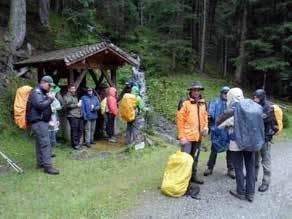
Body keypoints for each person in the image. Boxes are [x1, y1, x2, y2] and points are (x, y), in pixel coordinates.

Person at [217, 88, 255, 202]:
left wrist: (230, 124)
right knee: (250, 167)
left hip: (236, 144)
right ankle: (251, 193)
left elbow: (219, 124)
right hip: (250, 143)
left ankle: (241, 192)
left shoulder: (232, 110)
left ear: (231, 97)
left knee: (238, 168)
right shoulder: (252, 106)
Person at [177, 81, 208, 184]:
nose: (196, 92)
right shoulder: (184, 102)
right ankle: (184, 181)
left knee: (195, 158)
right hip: (187, 138)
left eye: (198, 90)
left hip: (198, 137)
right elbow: (180, 120)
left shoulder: (203, 102)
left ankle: (193, 176)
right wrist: (182, 137)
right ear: (190, 91)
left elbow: (205, 117)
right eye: (194, 90)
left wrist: (206, 127)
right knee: (185, 159)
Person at [26, 75, 59, 174]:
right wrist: (50, 99)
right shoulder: (36, 92)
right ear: (43, 83)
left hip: (41, 122)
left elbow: (42, 109)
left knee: (40, 143)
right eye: (49, 85)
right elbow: (39, 106)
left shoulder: (42, 92)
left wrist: (48, 121)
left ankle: (41, 162)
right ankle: (48, 167)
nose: (51, 88)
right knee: (45, 143)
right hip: (38, 122)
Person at [204, 86, 235, 179]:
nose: (226, 95)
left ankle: (231, 169)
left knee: (230, 151)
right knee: (214, 150)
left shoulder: (232, 104)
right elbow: (209, 115)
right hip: (217, 131)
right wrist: (209, 127)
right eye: (225, 93)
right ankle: (210, 167)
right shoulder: (215, 102)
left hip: (229, 131)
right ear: (221, 93)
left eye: (228, 93)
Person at [253, 89, 278, 192]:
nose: (255, 99)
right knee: (255, 159)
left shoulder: (268, 109)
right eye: (254, 97)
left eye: (257, 97)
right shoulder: (254, 107)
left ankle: (265, 182)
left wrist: (269, 135)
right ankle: (253, 176)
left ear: (262, 97)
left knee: (265, 161)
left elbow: (274, 125)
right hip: (256, 138)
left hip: (265, 139)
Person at [64, 85, 82, 150]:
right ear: (69, 89)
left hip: (77, 114)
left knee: (80, 129)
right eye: (72, 89)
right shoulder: (66, 96)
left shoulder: (74, 96)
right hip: (71, 115)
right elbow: (67, 105)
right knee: (74, 130)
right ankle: (75, 144)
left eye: (74, 88)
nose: (74, 90)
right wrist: (76, 105)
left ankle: (77, 142)